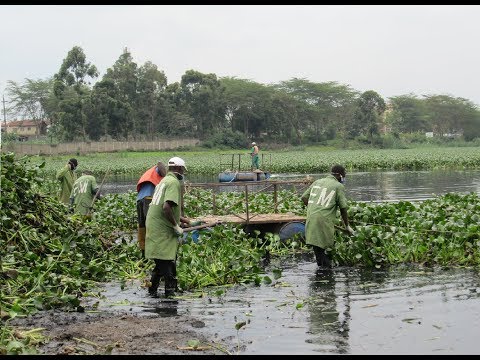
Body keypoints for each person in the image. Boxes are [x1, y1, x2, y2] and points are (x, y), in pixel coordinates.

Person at [145, 156, 194, 298]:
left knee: (160, 262)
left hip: (154, 224)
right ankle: (170, 296)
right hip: (162, 228)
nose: (183, 173)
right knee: (168, 264)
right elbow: (166, 208)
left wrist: (187, 221)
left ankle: (152, 293)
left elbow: (164, 208)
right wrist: (175, 226)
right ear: (178, 169)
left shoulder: (164, 181)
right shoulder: (173, 182)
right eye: (183, 170)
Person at [301, 164, 355, 268]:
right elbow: (343, 208)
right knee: (325, 251)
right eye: (344, 176)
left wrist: (314, 207)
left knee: (318, 250)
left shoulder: (317, 182)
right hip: (323, 222)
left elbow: (304, 197)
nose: (344, 178)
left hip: (311, 219)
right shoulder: (338, 186)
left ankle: (321, 275)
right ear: (339, 175)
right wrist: (347, 226)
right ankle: (326, 275)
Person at [136, 161, 167, 258]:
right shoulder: (157, 171)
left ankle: (144, 253)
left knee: (142, 225)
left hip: (140, 200)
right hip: (147, 200)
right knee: (150, 226)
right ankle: (152, 252)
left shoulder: (150, 172)